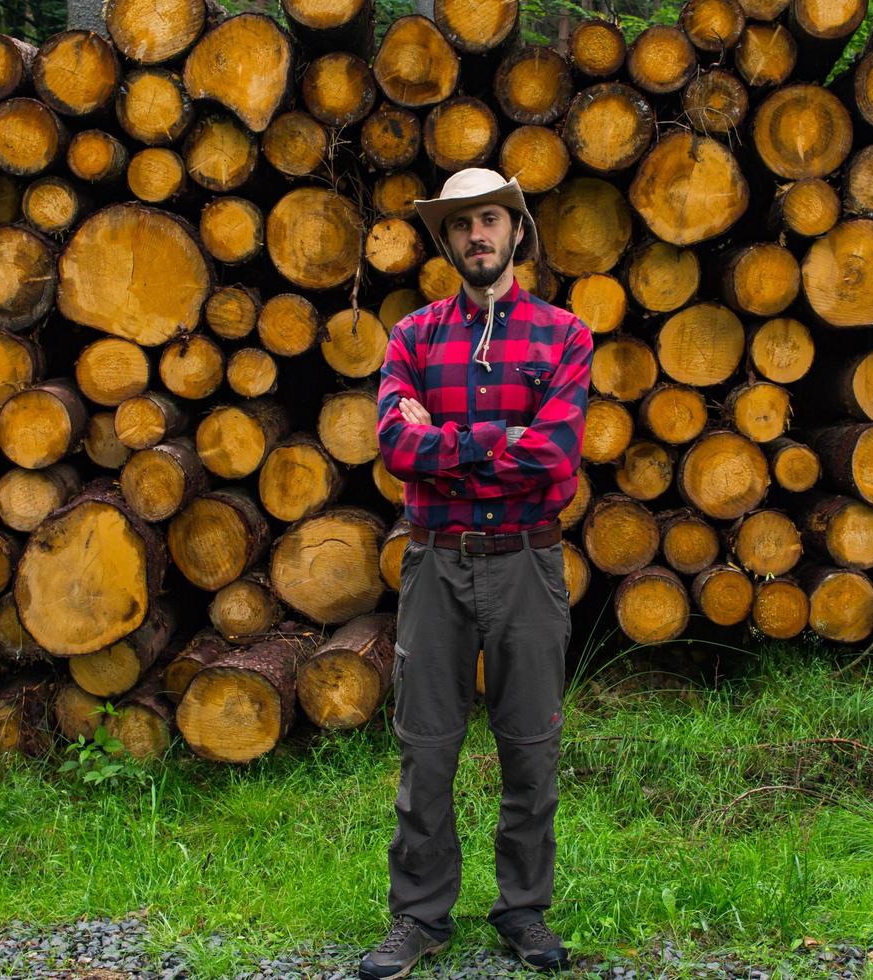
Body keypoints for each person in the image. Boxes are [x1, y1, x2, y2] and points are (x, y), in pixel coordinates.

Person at [361, 168, 592, 979]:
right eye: (461, 227)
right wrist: (502, 442)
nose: (476, 237)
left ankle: (522, 910)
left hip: (526, 563)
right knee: (426, 748)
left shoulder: (564, 336)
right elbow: (395, 449)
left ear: (516, 230)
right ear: (447, 241)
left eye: (489, 220)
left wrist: (450, 441)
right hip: (434, 564)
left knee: (530, 743)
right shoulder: (413, 338)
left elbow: (556, 456)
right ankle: (421, 916)